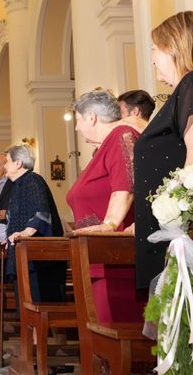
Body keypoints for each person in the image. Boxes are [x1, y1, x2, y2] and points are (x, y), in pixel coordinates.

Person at [67, 90, 146, 322]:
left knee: (113, 328)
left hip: (115, 260)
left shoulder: (121, 135)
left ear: (91, 117)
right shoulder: (106, 145)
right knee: (99, 332)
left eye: (78, 120)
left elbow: (126, 184)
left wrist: (110, 224)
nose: (77, 127)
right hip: (98, 257)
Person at [134, 11, 193, 290]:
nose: (153, 58)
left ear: (173, 48)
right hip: (167, 230)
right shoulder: (183, 90)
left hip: (178, 231)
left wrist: (181, 207)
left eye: (155, 49)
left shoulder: (190, 85)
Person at [4, 144, 65, 304]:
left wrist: (25, 233)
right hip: (26, 259)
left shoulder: (32, 180)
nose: (5, 166)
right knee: (27, 310)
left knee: (39, 307)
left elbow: (41, 212)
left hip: (38, 262)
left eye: (7, 161)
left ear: (18, 163)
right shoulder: (18, 184)